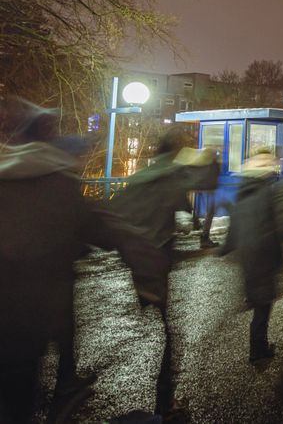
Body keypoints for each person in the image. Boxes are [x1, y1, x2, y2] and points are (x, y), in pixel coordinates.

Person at [0, 100, 166, 424]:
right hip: (40, 312)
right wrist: (149, 281)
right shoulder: (61, 187)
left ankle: (66, 386)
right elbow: (113, 231)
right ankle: (65, 390)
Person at [111, 126, 219, 415]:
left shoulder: (137, 178)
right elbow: (208, 182)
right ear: (172, 154)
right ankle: (166, 404)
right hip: (156, 258)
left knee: (161, 327)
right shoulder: (172, 176)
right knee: (170, 338)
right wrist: (209, 157)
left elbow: (114, 213)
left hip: (135, 258)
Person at [220, 151, 283, 362]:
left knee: (259, 300)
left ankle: (258, 346)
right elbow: (277, 226)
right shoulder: (268, 192)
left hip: (248, 253)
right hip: (264, 252)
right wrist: (281, 257)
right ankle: (258, 349)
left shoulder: (243, 190)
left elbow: (236, 220)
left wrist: (228, 246)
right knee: (263, 304)